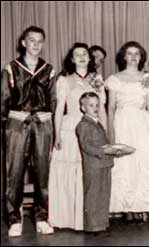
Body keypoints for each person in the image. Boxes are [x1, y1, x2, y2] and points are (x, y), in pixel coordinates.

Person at [1, 26, 56, 237]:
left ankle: (42, 217)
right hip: (17, 124)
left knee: (43, 172)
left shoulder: (48, 69)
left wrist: (48, 115)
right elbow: (3, 99)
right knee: (14, 173)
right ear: (23, 42)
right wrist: (10, 118)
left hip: (42, 124)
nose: (35, 44)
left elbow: (53, 99)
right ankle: (14, 218)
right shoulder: (11, 68)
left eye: (39, 41)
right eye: (31, 40)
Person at [105, 41, 149, 224]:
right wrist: (111, 133)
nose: (133, 57)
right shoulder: (115, 79)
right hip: (122, 122)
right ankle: (126, 208)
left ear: (141, 58)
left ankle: (143, 206)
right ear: (124, 56)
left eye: (137, 54)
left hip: (142, 123)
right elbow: (110, 109)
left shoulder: (147, 78)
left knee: (145, 162)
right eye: (130, 53)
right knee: (124, 164)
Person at [48, 43, 107, 231]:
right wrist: (57, 135)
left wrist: (105, 135)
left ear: (90, 58)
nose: (82, 57)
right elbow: (59, 110)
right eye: (77, 54)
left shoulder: (97, 80)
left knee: (89, 174)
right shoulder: (64, 80)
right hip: (70, 129)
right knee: (69, 173)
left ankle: (87, 220)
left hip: (92, 129)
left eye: (85, 54)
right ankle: (66, 219)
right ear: (72, 59)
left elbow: (102, 110)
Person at [76, 92, 114, 234]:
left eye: (97, 105)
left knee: (104, 194)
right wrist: (103, 151)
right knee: (92, 195)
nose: (95, 108)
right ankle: (92, 225)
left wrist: (111, 151)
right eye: (91, 105)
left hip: (104, 163)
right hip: (93, 165)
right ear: (82, 107)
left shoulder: (97, 123)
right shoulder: (83, 124)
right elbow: (86, 146)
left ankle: (102, 222)